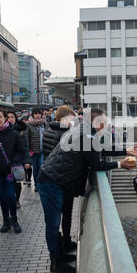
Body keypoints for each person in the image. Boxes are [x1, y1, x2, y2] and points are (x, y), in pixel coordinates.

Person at [37, 108, 137, 273]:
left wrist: (125, 150)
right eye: (104, 123)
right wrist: (119, 164)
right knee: (53, 223)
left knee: (55, 221)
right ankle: (56, 262)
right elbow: (96, 164)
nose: (106, 126)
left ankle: (60, 253)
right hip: (51, 181)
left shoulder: (86, 133)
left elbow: (99, 151)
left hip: (55, 179)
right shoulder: (85, 135)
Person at [0, 109, 31, 234]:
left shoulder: (14, 134)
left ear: (5, 118)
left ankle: (14, 219)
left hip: (10, 171)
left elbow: (21, 150)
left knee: (11, 196)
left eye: (0, 117)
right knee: (3, 198)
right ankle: (6, 221)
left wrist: (14, 161)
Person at [42, 105, 78, 253]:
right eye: (71, 119)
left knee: (54, 218)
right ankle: (64, 244)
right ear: (63, 119)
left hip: (51, 177)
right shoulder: (64, 135)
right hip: (60, 180)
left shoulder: (48, 131)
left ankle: (60, 246)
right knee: (64, 214)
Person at [7, 110, 28, 209]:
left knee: (17, 181)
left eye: (12, 117)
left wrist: (27, 161)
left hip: (17, 161)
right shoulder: (2, 130)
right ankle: (10, 200)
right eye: (8, 117)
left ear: (15, 119)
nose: (10, 119)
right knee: (8, 182)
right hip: (6, 162)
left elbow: (25, 146)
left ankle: (17, 200)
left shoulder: (21, 131)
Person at [26, 107, 46, 192]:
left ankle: (41, 184)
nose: (38, 115)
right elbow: (27, 139)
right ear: (33, 115)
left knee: (42, 167)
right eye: (36, 113)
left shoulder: (44, 124)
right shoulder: (29, 125)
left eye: (39, 113)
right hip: (33, 152)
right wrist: (28, 152)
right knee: (36, 169)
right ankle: (37, 185)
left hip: (43, 151)